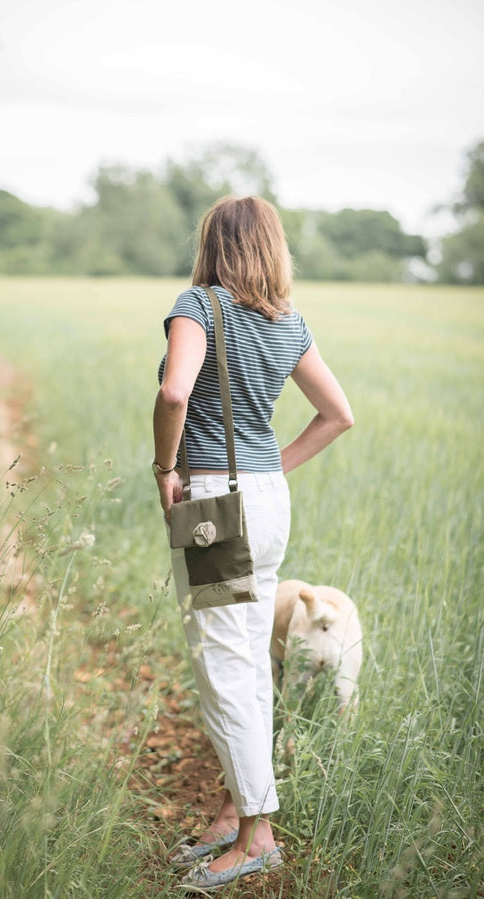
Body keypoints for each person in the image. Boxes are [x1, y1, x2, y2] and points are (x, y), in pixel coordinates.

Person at [152, 195, 353, 891]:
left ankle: (257, 834)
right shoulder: (286, 321)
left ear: (213, 243)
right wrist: (272, 469)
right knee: (244, 657)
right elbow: (338, 415)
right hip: (268, 499)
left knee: (225, 661)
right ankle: (238, 805)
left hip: (210, 500)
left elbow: (176, 392)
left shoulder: (198, 306)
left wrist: (165, 468)